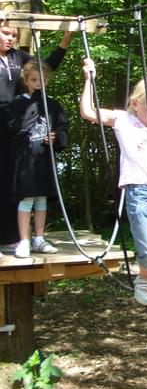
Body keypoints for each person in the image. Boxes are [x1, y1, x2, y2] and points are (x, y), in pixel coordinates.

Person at [79, 58, 147, 332]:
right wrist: (89, 79)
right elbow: (88, 112)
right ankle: (143, 277)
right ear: (135, 103)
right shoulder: (123, 120)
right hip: (139, 193)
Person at [0, 25, 73, 250]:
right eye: (5, 33)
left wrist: (65, 40)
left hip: (18, 125)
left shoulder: (18, 58)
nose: (10, 38)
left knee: (14, 183)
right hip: (11, 119)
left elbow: (43, 67)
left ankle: (15, 238)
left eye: (14, 34)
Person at [7, 61, 68, 258]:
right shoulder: (17, 103)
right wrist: (34, 104)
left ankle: (39, 238)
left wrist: (56, 138)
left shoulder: (53, 105)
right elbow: (15, 129)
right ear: (26, 80)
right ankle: (24, 240)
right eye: (34, 80)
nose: (38, 83)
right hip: (26, 160)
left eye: (42, 80)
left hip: (44, 160)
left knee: (41, 198)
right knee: (26, 199)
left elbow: (62, 127)